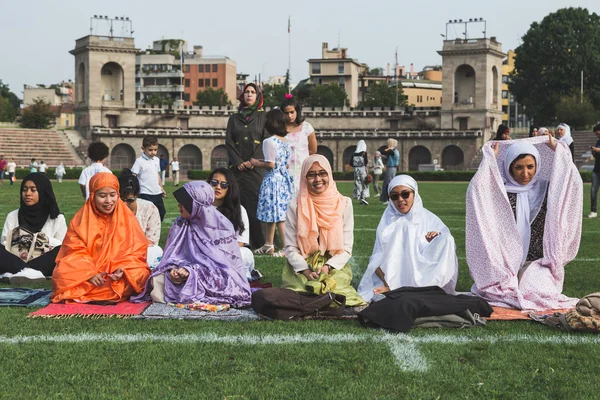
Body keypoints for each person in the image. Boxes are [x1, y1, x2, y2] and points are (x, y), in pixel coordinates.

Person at [466, 136, 582, 310]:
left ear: (537, 166)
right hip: (505, 264)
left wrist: (559, 151)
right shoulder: (499, 192)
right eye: (518, 167)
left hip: (537, 262)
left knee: (536, 291)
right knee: (502, 290)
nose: (525, 173)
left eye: (530, 167)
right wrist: (490, 160)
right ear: (509, 167)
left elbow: (571, 181)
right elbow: (477, 188)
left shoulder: (547, 190)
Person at [132, 181, 251, 307]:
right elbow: (171, 254)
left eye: (183, 203)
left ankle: (186, 293)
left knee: (227, 283)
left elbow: (224, 267)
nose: (179, 205)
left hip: (211, 276)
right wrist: (174, 270)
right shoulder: (180, 223)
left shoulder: (221, 227)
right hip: (181, 273)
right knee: (157, 279)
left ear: (195, 205)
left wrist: (191, 272)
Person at [51, 173, 150, 303]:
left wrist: (123, 269)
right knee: (63, 273)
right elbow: (74, 251)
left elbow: (136, 251)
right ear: (92, 196)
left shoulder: (127, 218)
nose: (108, 201)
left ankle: (92, 294)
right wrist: (89, 273)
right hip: (88, 273)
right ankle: (106, 293)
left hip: (116, 274)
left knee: (141, 273)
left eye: (112, 195)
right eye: (102, 196)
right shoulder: (80, 220)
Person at [357, 175, 458, 302]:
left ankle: (425, 288)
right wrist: (388, 284)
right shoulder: (387, 222)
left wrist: (436, 239)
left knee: (446, 239)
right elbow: (377, 260)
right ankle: (398, 289)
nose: (400, 200)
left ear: (414, 194)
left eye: (405, 194)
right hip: (391, 278)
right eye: (394, 196)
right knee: (403, 228)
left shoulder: (429, 218)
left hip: (424, 275)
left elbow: (445, 247)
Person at [282, 154, 366, 307]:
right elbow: (290, 247)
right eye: (311, 175)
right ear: (304, 178)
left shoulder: (344, 203)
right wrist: (306, 271)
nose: (318, 179)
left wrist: (327, 267)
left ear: (329, 174)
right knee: (300, 293)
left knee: (337, 291)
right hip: (302, 265)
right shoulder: (295, 205)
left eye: (322, 173)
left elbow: (346, 248)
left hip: (333, 263)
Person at [0, 173, 67, 284]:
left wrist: (37, 239)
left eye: (33, 190)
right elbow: (4, 242)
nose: (27, 194)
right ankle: (24, 271)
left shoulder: (57, 218)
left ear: (43, 192)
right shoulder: (13, 215)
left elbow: (62, 245)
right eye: (25, 190)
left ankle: (21, 271)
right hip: (15, 257)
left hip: (43, 259)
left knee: (64, 251)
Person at [225, 83, 267, 249]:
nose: (249, 95)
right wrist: (238, 162)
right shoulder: (234, 118)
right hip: (237, 171)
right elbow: (228, 142)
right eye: (246, 92)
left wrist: (253, 160)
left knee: (257, 204)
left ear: (257, 97)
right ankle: (238, 239)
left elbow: (266, 141)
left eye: (252, 92)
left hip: (256, 169)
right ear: (242, 96)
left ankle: (260, 241)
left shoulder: (264, 117)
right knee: (236, 203)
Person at [251, 109, 294, 256]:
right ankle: (268, 244)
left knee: (278, 216)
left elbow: (271, 164)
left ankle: (286, 248)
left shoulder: (268, 142)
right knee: (275, 213)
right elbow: (285, 164)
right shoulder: (286, 142)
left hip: (273, 180)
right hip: (283, 180)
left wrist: (257, 163)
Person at [207, 167, 258, 280]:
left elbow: (240, 243)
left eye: (224, 185)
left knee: (245, 253)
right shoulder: (201, 208)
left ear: (229, 188)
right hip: (206, 254)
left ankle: (240, 277)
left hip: (230, 253)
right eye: (214, 183)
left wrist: (220, 253)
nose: (218, 187)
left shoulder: (239, 210)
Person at [118, 169, 163, 268]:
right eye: (122, 200)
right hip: (118, 256)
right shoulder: (112, 210)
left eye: (130, 200)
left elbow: (152, 243)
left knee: (155, 251)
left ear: (136, 196)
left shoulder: (150, 209)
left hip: (142, 254)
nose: (125, 204)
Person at [281, 95, 317, 195]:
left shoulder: (306, 127)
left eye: (292, 112)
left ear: (297, 111)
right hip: (285, 170)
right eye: (286, 113)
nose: (289, 116)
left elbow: (313, 150)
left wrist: (301, 156)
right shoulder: (280, 129)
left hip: (302, 169)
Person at [131, 135, 167, 221]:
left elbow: (157, 174)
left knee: (161, 212)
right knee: (145, 215)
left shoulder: (156, 160)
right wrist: (133, 191)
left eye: (155, 150)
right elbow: (133, 176)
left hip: (156, 192)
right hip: (144, 193)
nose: (153, 152)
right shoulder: (139, 161)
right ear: (143, 148)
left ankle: (153, 229)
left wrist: (161, 188)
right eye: (150, 150)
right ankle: (144, 232)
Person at [379, 138, 399, 203]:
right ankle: (385, 198)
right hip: (390, 168)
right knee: (386, 183)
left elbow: (385, 151)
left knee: (388, 183)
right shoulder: (393, 151)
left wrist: (388, 149)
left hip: (391, 168)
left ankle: (388, 199)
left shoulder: (393, 151)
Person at [350, 139, 370, 205]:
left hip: (356, 170)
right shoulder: (364, 153)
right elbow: (366, 162)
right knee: (364, 183)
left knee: (358, 184)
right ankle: (363, 197)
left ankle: (358, 196)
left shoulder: (354, 153)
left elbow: (351, 163)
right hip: (363, 169)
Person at [589, 124, 600, 219]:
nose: (597, 135)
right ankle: (593, 211)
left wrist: (597, 149)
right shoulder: (597, 142)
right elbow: (597, 156)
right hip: (596, 170)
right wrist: (594, 152)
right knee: (593, 191)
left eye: (597, 133)